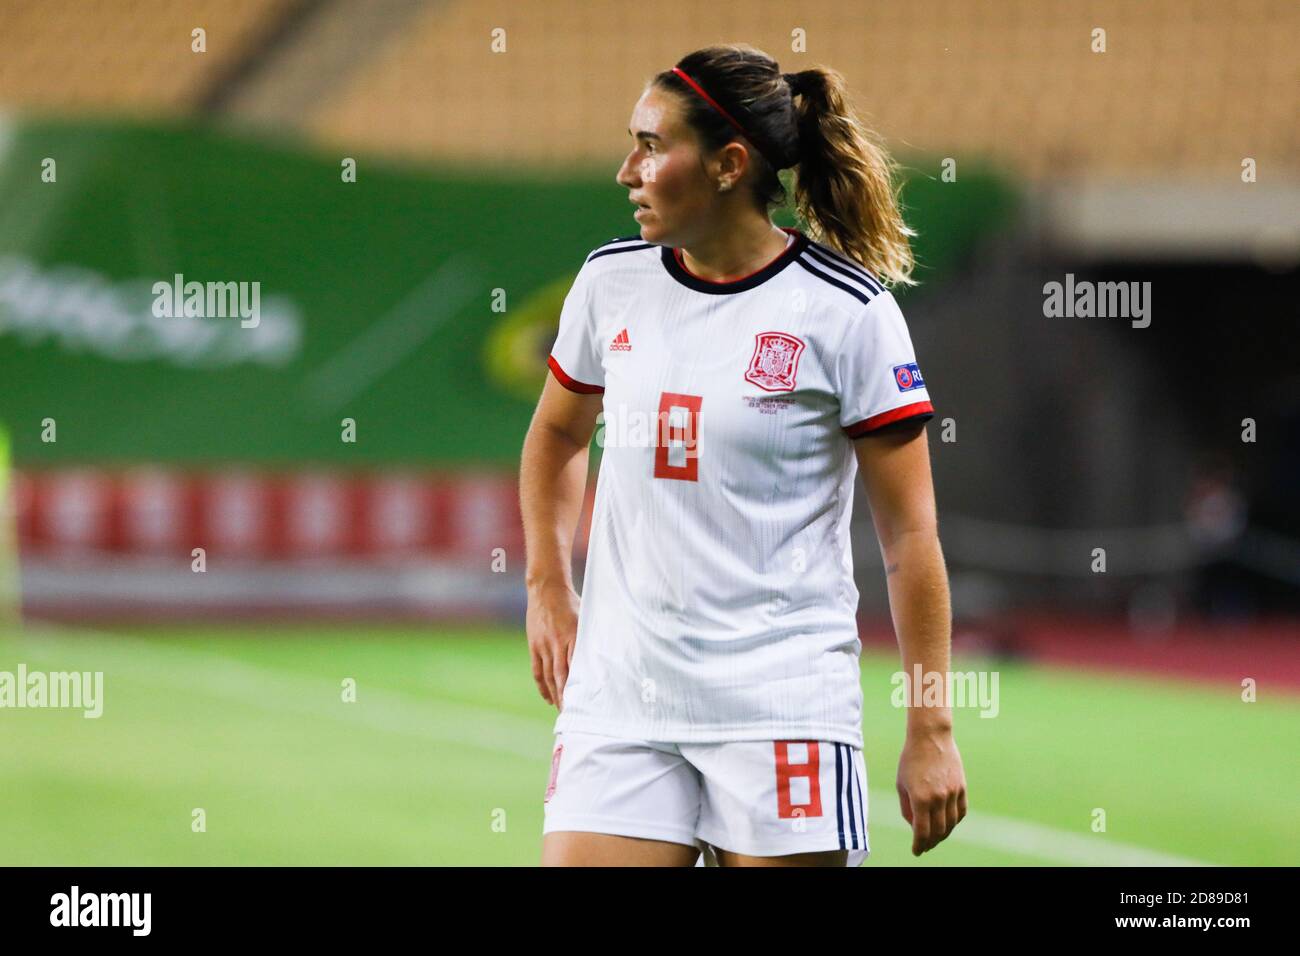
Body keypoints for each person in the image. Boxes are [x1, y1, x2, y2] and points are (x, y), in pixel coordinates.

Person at [520, 44, 966, 867]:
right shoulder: (610, 282)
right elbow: (556, 433)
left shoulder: (847, 313)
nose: (627, 169)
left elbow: (911, 542)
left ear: (728, 164)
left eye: (652, 145)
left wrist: (930, 726)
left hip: (781, 706)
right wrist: (549, 584)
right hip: (620, 699)